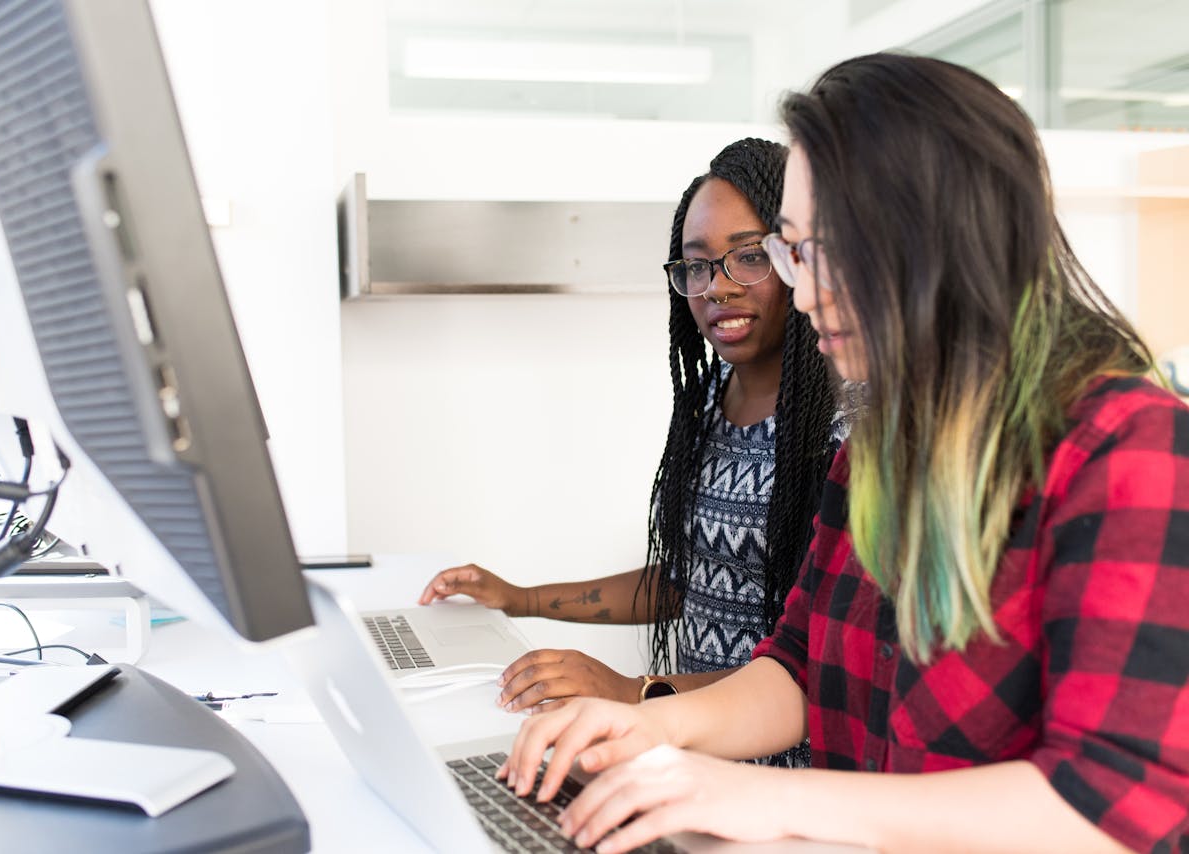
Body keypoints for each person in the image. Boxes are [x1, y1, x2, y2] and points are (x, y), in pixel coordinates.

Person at [499, 53, 1189, 854]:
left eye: (819, 249)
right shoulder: (881, 446)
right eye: (792, 251)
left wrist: (763, 797)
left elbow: (1104, 804)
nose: (802, 288)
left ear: (935, 234)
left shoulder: (1133, 450)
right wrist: (646, 726)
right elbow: (794, 663)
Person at [418, 139, 843, 758]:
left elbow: (810, 664)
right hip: (690, 747)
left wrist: (634, 692)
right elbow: (684, 582)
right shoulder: (706, 402)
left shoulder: (842, 429)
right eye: (696, 265)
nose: (717, 288)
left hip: (791, 773)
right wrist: (521, 599)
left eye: (748, 257)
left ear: (796, 258)